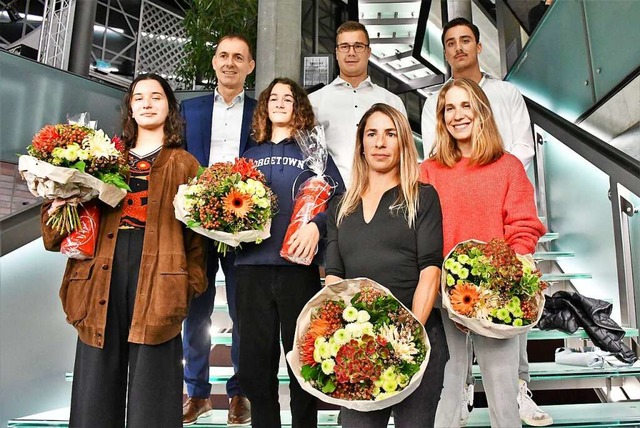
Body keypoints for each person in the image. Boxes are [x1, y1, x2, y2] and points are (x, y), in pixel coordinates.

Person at [41, 73, 207, 427]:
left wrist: (189, 283)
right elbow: (61, 231)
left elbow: (198, 239)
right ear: (130, 108)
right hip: (100, 272)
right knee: (96, 383)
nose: (147, 103)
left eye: (156, 97)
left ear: (169, 108)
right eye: (139, 97)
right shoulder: (100, 158)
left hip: (162, 276)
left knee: (155, 388)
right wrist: (57, 208)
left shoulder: (185, 164)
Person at [420, 17, 550, 426]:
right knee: (446, 392)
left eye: (466, 107)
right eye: (449, 109)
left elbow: (524, 226)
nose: (458, 115)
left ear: (481, 113)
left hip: (497, 294)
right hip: (446, 294)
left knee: (502, 397)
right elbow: (420, 231)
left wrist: (513, 271)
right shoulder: (429, 171)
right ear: (441, 118)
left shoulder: (508, 167)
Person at [325, 103, 448, 428]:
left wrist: (405, 337)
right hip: (359, 346)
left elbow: (430, 273)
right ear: (361, 144)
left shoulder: (423, 197)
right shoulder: (339, 206)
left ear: (403, 143)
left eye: (390, 134)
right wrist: (346, 339)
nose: (380, 143)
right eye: (372, 134)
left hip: (417, 339)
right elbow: (335, 280)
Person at [235, 77, 345, 428]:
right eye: (274, 98)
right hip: (252, 267)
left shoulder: (315, 155)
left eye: (288, 98)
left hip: (298, 270)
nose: (280, 103)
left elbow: (341, 200)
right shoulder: (248, 155)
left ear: (299, 107)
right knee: (256, 365)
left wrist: (317, 226)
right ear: (264, 107)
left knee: (304, 361)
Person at [180, 33, 256, 426]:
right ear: (214, 62)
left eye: (238, 57)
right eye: (223, 56)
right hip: (196, 226)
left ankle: (239, 394)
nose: (230, 62)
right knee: (196, 311)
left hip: (245, 227)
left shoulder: (260, 113)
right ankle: (197, 393)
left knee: (244, 312)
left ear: (250, 66)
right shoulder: (188, 110)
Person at [309, 20, 407, 187]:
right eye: (345, 46)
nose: (351, 52)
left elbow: (405, 153)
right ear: (337, 52)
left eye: (358, 46)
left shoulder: (391, 101)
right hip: (333, 196)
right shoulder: (314, 101)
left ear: (369, 52)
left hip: (384, 193)